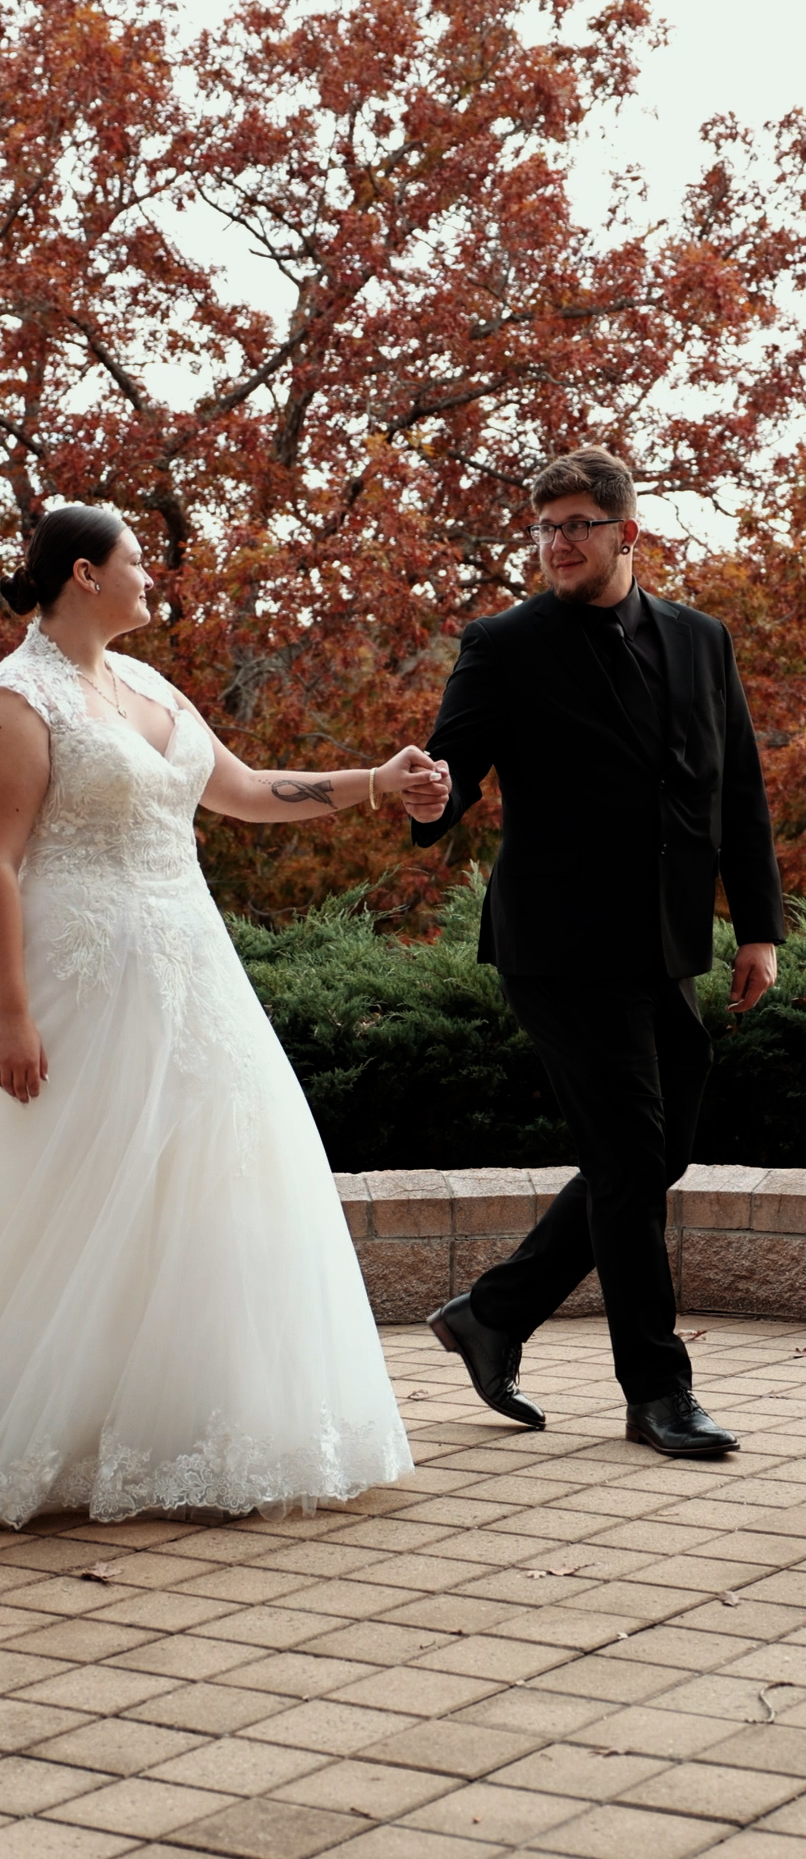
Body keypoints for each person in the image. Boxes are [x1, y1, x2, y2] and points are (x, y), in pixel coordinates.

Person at [0, 504, 447, 1533]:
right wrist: (10, 1015)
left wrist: (378, 782)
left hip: (189, 975)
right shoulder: (14, 703)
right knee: (33, 1194)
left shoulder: (150, 685)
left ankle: (158, 1426)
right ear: (83, 572)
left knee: (187, 1187)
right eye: (138, 562)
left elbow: (241, 792)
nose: (156, 579)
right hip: (74, 982)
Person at [407, 445, 783, 1457]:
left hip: (665, 944)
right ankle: (658, 1393)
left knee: (656, 1155)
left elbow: (735, 786)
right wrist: (430, 796)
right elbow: (451, 768)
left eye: (576, 525)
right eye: (544, 528)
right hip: (559, 945)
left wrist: (757, 925)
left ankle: (493, 1314)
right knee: (628, 1159)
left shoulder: (702, 640)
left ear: (627, 532)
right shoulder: (505, 645)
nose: (556, 544)